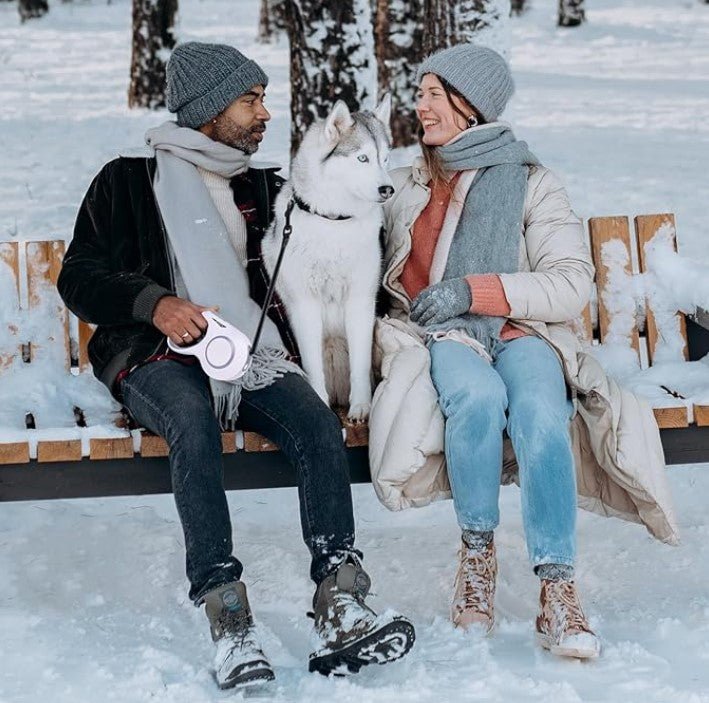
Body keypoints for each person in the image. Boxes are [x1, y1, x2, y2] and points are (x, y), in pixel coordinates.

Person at [57, 41, 414, 689]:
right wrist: (154, 302)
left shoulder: (268, 189)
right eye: (250, 99)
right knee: (191, 421)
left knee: (312, 419)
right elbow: (79, 276)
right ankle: (228, 616)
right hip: (155, 354)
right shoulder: (128, 179)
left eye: (263, 99)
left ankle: (339, 594)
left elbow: (341, 217)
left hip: (249, 353)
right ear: (205, 108)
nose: (264, 113)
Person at [372, 44, 676, 659]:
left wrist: (473, 290)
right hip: (442, 335)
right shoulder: (407, 185)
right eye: (421, 92)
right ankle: (477, 557)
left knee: (541, 409)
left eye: (433, 93)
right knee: (477, 399)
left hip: (522, 330)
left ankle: (558, 588)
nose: (420, 105)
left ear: (469, 105)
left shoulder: (534, 182)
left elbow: (570, 283)